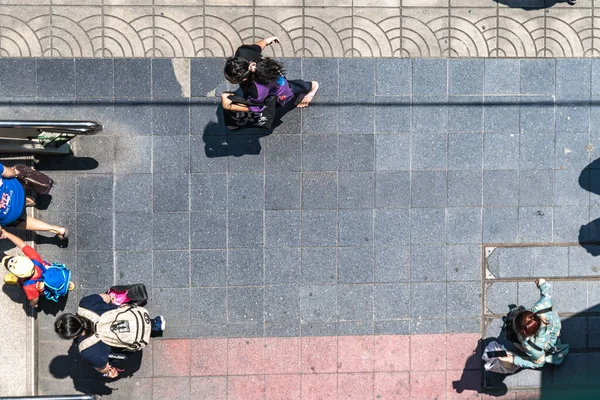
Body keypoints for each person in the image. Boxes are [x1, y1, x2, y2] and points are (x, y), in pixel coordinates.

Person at [54, 293, 165, 379]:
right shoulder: (85, 304)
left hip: (136, 341)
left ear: (72, 336)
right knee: (117, 310)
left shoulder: (86, 351)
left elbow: (103, 368)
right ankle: (155, 324)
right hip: (137, 318)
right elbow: (108, 297)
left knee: (101, 359)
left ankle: (128, 349)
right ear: (72, 316)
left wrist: (107, 373)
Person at [221, 36, 319, 115]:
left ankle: (312, 86)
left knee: (291, 88)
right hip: (269, 76)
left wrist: (229, 106)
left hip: (278, 87)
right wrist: (266, 41)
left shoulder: (258, 92)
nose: (225, 76)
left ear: (244, 79)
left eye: (229, 78)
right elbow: (256, 47)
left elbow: (257, 108)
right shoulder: (243, 52)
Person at [499, 278, 569, 369]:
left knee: (517, 342)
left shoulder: (533, 347)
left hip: (544, 344)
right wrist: (542, 283)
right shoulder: (541, 308)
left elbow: (539, 363)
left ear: (523, 333)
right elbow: (546, 295)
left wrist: (513, 360)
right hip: (554, 326)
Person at [1, 227, 74, 308]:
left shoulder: (28, 286)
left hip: (39, 285)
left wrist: (33, 304)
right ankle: (64, 283)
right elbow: (21, 244)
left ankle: (17, 281)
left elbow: (34, 298)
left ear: (20, 276)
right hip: (46, 272)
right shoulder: (34, 258)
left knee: (21, 284)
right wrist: (6, 233)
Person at [0, 163, 68, 239]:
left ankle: (57, 230)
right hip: (17, 189)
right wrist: (15, 171)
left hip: (12, 213)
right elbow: (10, 173)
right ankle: (28, 200)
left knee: (13, 222)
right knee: (10, 172)